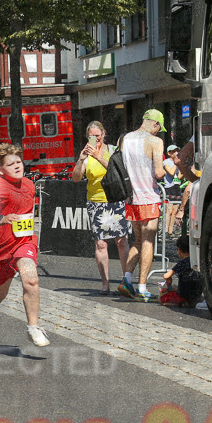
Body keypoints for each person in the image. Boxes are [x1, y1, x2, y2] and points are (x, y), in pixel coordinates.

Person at [0, 143, 50, 347]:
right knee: (0, 292)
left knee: (31, 280)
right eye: (11, 164)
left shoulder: (29, 184)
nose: (17, 166)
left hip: (24, 242)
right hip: (0, 248)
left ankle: (33, 327)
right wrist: (1, 219)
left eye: (19, 162)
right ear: (1, 170)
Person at [70, 120, 131, 293]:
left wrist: (99, 156)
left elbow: (118, 172)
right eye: (91, 136)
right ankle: (105, 283)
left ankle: (127, 280)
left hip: (116, 199)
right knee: (101, 244)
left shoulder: (113, 150)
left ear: (104, 134)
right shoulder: (86, 155)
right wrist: (81, 160)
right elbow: (76, 178)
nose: (95, 139)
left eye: (97, 135)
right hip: (96, 202)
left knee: (121, 241)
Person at [116, 109, 166, 302]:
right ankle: (142, 288)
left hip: (131, 198)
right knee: (148, 242)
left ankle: (127, 280)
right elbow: (159, 173)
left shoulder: (125, 139)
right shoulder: (155, 141)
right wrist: (172, 166)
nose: (158, 132)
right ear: (155, 123)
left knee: (137, 241)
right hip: (148, 197)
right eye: (159, 128)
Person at [159, 236, 202, 307]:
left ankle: (181, 302)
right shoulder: (197, 261)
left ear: (179, 250)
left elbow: (166, 276)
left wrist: (169, 280)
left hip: (184, 295)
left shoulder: (182, 263)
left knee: (163, 297)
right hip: (197, 294)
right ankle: (192, 301)